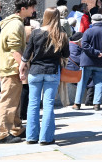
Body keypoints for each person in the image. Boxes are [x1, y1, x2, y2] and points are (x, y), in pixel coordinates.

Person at [19, 7, 69, 145]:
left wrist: (21, 69)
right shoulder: (62, 34)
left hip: (35, 71)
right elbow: (66, 55)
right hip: (52, 71)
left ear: (45, 16)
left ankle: (31, 137)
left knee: (33, 104)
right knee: (48, 105)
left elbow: (27, 54)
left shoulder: (36, 33)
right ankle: (46, 138)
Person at [0, 0, 36, 144]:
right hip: (11, 68)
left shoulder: (14, 22)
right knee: (8, 101)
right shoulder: (16, 25)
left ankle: (16, 128)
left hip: (10, 67)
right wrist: (23, 68)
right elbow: (15, 50)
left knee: (14, 101)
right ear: (23, 9)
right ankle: (1, 133)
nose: (34, 10)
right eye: (32, 7)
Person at [73, 14, 102, 110]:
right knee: (99, 83)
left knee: (82, 82)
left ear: (92, 22)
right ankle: (97, 104)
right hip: (100, 61)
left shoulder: (88, 31)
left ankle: (77, 103)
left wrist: (95, 52)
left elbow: (84, 45)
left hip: (87, 61)